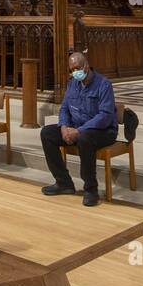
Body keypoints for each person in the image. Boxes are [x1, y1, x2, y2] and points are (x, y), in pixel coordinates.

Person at [39, 51, 117, 206]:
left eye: (77, 68)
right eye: (72, 70)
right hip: (77, 128)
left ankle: (90, 189)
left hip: (103, 131)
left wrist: (79, 131)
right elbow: (64, 109)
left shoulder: (103, 84)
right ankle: (64, 183)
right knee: (47, 133)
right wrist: (64, 127)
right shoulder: (72, 84)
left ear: (86, 66)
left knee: (84, 138)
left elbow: (105, 116)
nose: (75, 72)